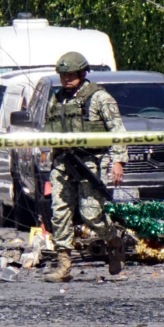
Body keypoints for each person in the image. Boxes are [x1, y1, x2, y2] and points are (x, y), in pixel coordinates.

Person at [42, 51, 128, 283]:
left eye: (70, 74)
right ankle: (64, 266)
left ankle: (113, 241)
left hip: (91, 162)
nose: (66, 79)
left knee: (90, 214)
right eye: (63, 75)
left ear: (82, 73)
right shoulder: (57, 99)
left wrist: (118, 161)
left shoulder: (99, 97)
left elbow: (117, 130)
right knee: (59, 213)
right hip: (63, 163)